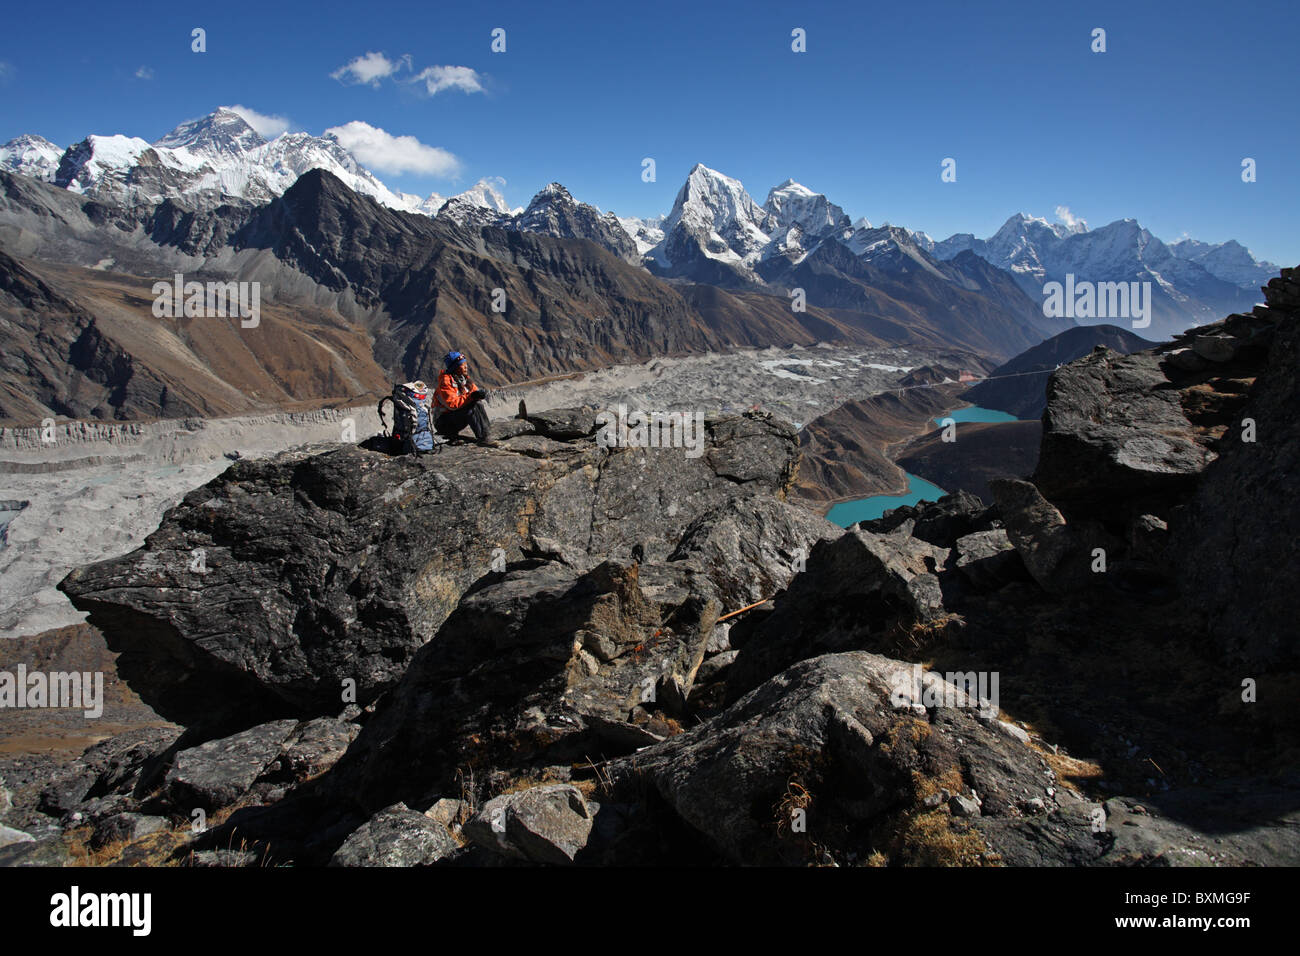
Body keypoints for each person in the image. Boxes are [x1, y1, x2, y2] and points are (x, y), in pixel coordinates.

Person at [433, 350, 492, 443]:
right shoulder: (445, 382)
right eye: (462, 364)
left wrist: (479, 395)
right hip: (443, 422)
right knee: (471, 409)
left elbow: (473, 393)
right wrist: (471, 397)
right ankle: (483, 438)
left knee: (477, 404)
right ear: (455, 367)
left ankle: (486, 434)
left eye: (465, 363)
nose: (466, 366)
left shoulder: (464, 379)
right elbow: (451, 404)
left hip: (454, 418)